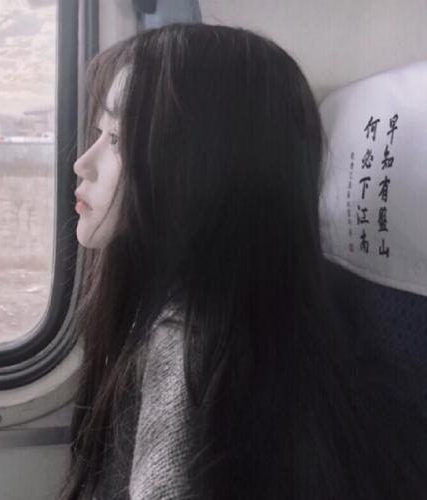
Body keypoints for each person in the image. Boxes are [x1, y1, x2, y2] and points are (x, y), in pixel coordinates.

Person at [60, 24, 427, 500]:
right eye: (99, 131)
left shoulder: (188, 350)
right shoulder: (228, 321)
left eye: (116, 139)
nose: (81, 163)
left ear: (202, 167)